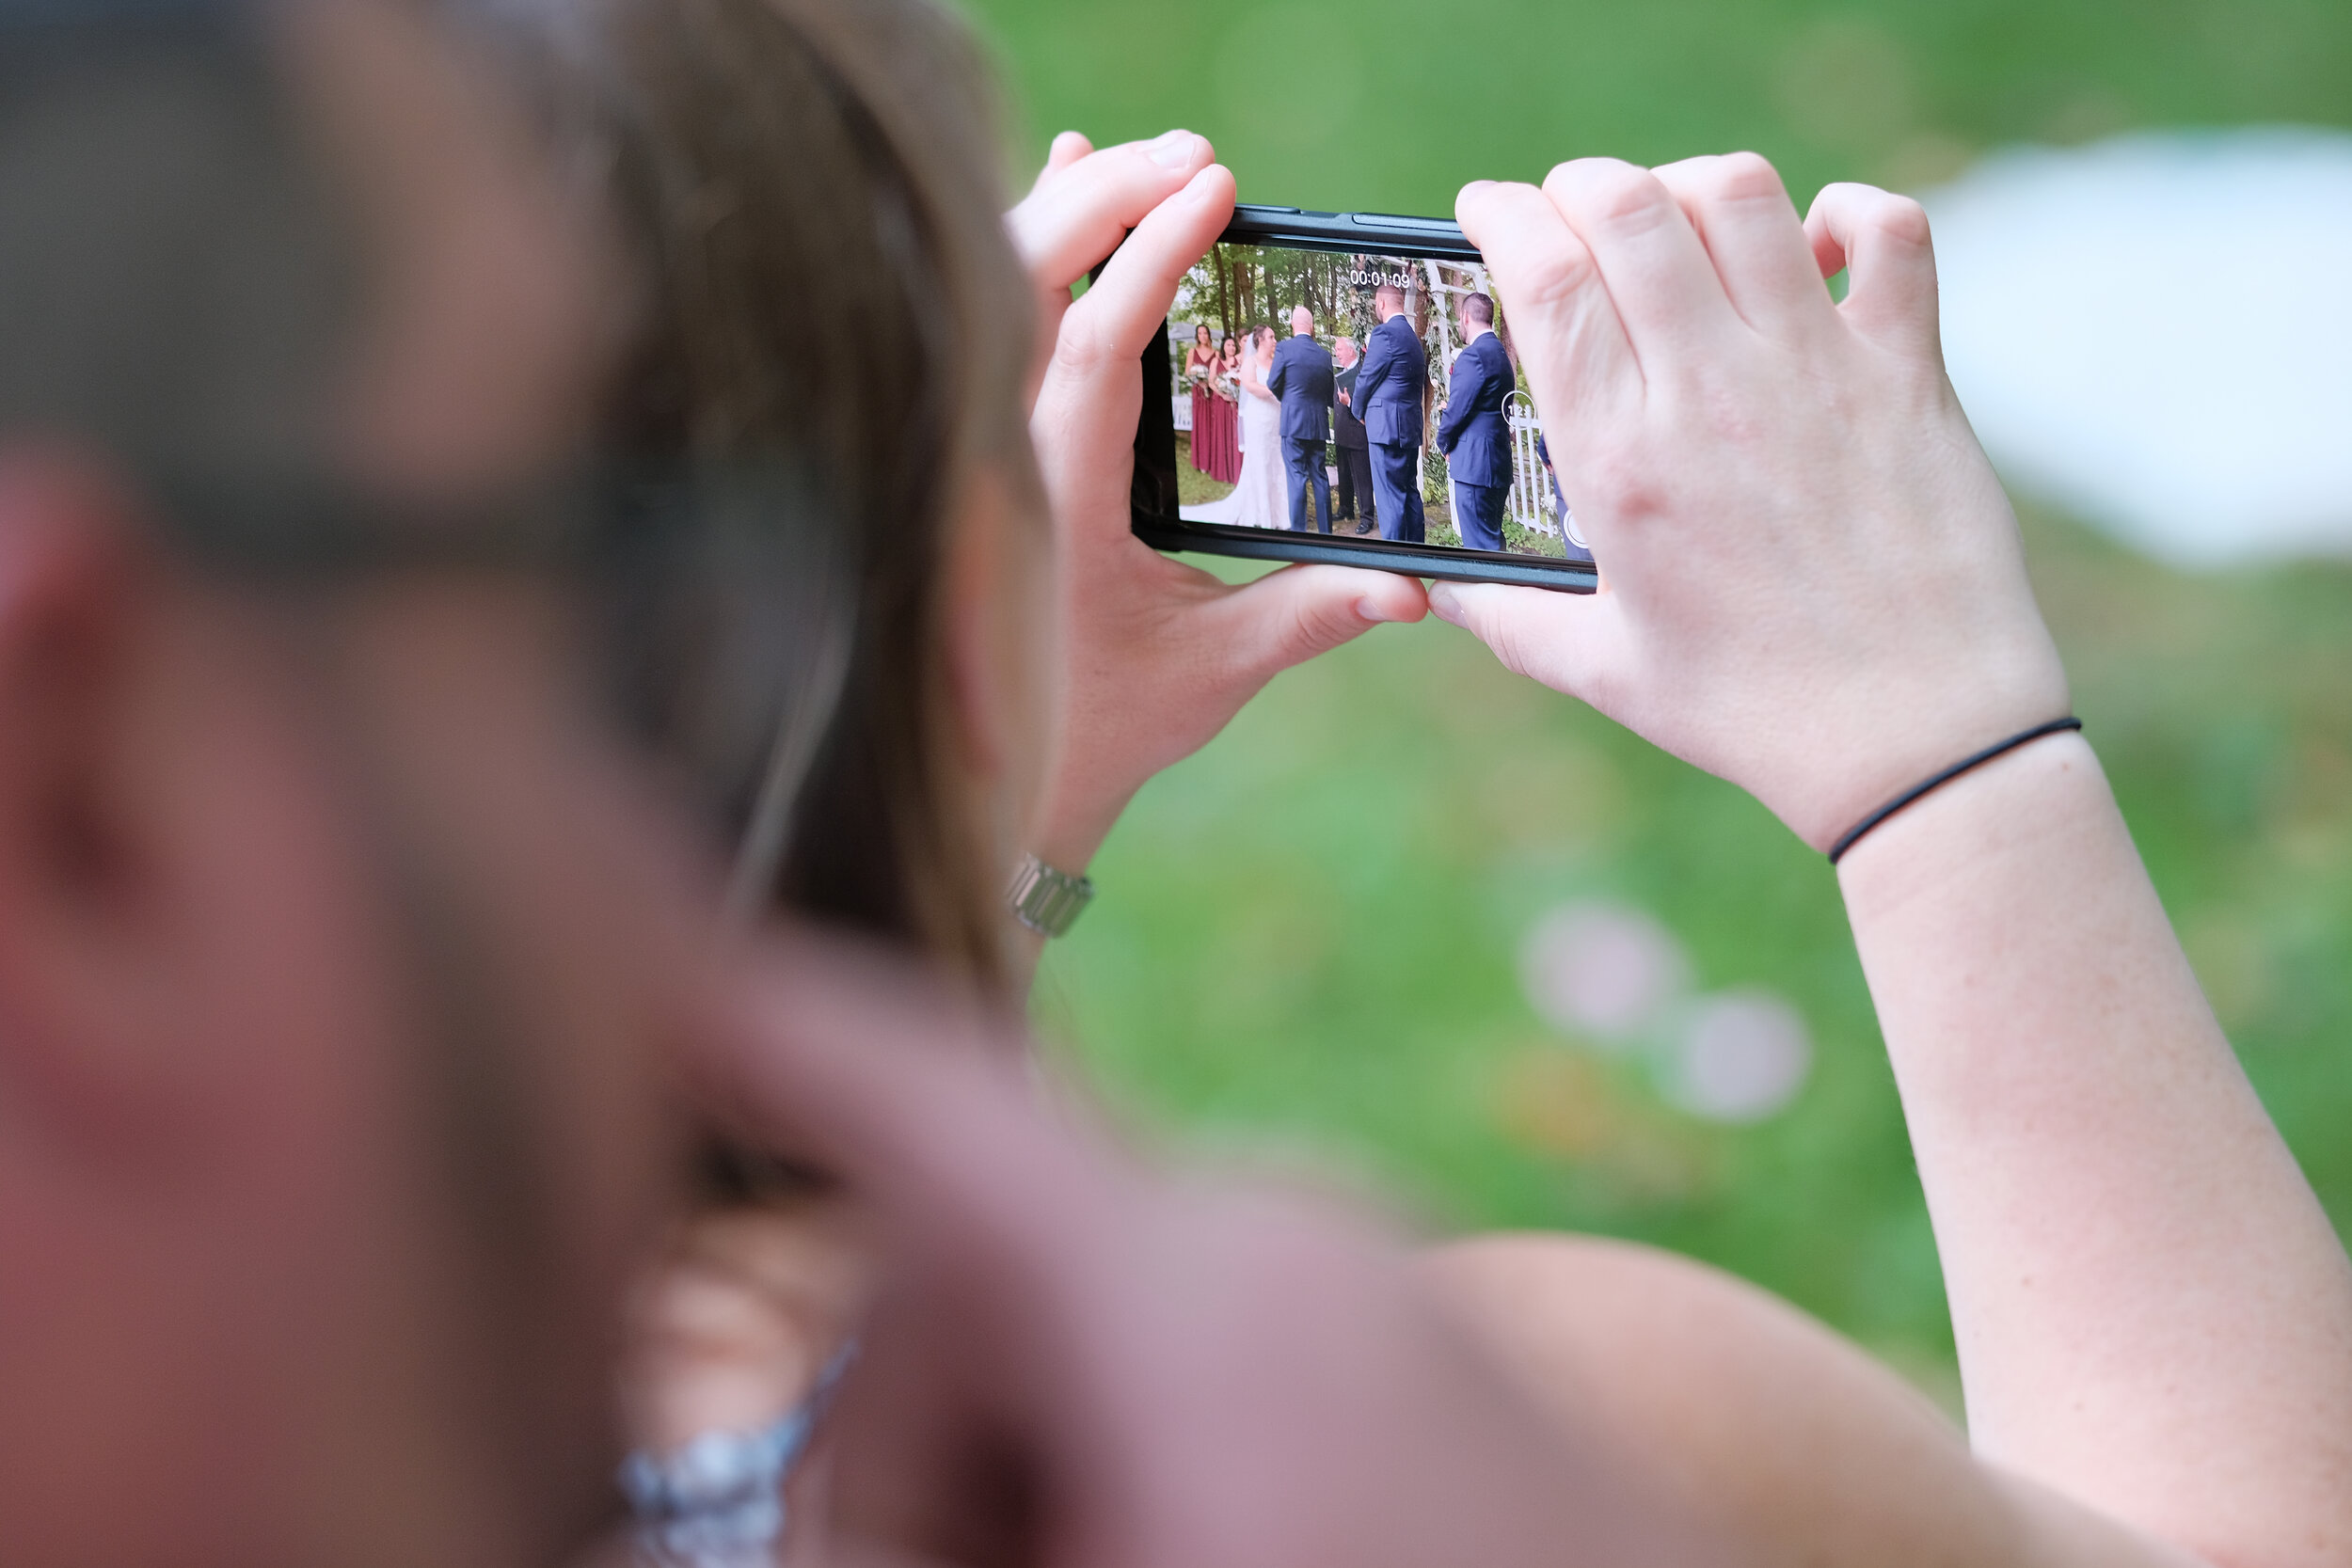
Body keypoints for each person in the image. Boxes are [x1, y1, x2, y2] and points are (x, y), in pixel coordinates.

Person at [1180, 324, 1287, 530]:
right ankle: (1261, 513)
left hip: (1276, 418)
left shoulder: (1275, 362)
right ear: (1260, 340)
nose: (1275, 340)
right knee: (1260, 461)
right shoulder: (1250, 362)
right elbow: (1249, 386)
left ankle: (1280, 513)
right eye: (1271, 337)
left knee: (1276, 461)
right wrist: (1273, 392)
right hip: (1259, 418)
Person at [1352, 281, 1429, 543]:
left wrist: (1357, 410)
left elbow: (1366, 379)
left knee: (1389, 499)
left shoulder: (1384, 334)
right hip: (1408, 427)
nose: (1376, 307)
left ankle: (1394, 560)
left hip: (1386, 429)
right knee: (1408, 493)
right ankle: (1417, 552)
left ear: (1382, 303)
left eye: (1376, 303)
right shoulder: (1412, 337)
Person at [1438, 291, 1515, 551]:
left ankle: (1496, 591)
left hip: (1475, 468)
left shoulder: (1473, 356)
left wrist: (1443, 443)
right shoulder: (1500, 355)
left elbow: (1457, 411)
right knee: (1492, 540)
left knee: (1480, 548)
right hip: (1496, 461)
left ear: (1465, 317)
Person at [1267, 304, 1338, 533]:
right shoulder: (1324, 355)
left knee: (1296, 477)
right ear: (1312, 327)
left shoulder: (1285, 348)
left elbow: (1272, 383)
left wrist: (1288, 401)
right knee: (1319, 476)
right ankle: (1326, 532)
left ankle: (1299, 533)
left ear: (1292, 324)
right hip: (1317, 424)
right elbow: (1330, 394)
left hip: (1293, 424)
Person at [1333, 333, 1375, 534]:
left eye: (1339, 349)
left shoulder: (1362, 372)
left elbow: (1363, 403)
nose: (1336, 353)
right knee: (1344, 475)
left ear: (1351, 350)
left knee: (1362, 478)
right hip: (1342, 433)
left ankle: (1367, 517)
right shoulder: (1340, 373)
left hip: (1358, 434)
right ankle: (1345, 508)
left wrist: (1349, 402)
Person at [1184, 323, 1219, 472]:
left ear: (1209, 335)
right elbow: (1187, 372)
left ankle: (1212, 462)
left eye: (1205, 333)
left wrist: (1210, 382)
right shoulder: (1192, 351)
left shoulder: (1216, 353)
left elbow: (1218, 373)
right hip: (1199, 392)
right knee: (1201, 424)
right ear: (1197, 336)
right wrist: (1199, 380)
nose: (1203, 336)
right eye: (1200, 333)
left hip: (1212, 392)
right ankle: (1202, 462)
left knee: (1212, 425)